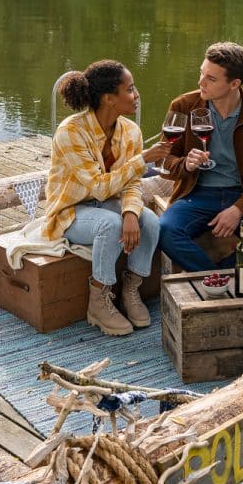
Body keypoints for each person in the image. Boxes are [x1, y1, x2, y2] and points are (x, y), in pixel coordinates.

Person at [37, 60, 169, 336]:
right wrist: (142, 160)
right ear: (109, 99)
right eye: (130, 89)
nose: (137, 95)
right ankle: (98, 300)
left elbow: (131, 183)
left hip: (111, 203)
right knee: (110, 225)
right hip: (71, 211)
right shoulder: (71, 132)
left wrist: (132, 212)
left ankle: (130, 289)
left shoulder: (130, 131)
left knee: (151, 222)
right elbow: (98, 188)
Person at [158, 42, 243, 272]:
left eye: (211, 78)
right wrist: (185, 165)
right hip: (196, 193)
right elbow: (163, 160)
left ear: (234, 83)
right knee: (165, 230)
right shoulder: (182, 106)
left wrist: (239, 209)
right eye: (201, 73)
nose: (201, 82)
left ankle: (221, 274)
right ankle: (216, 277)